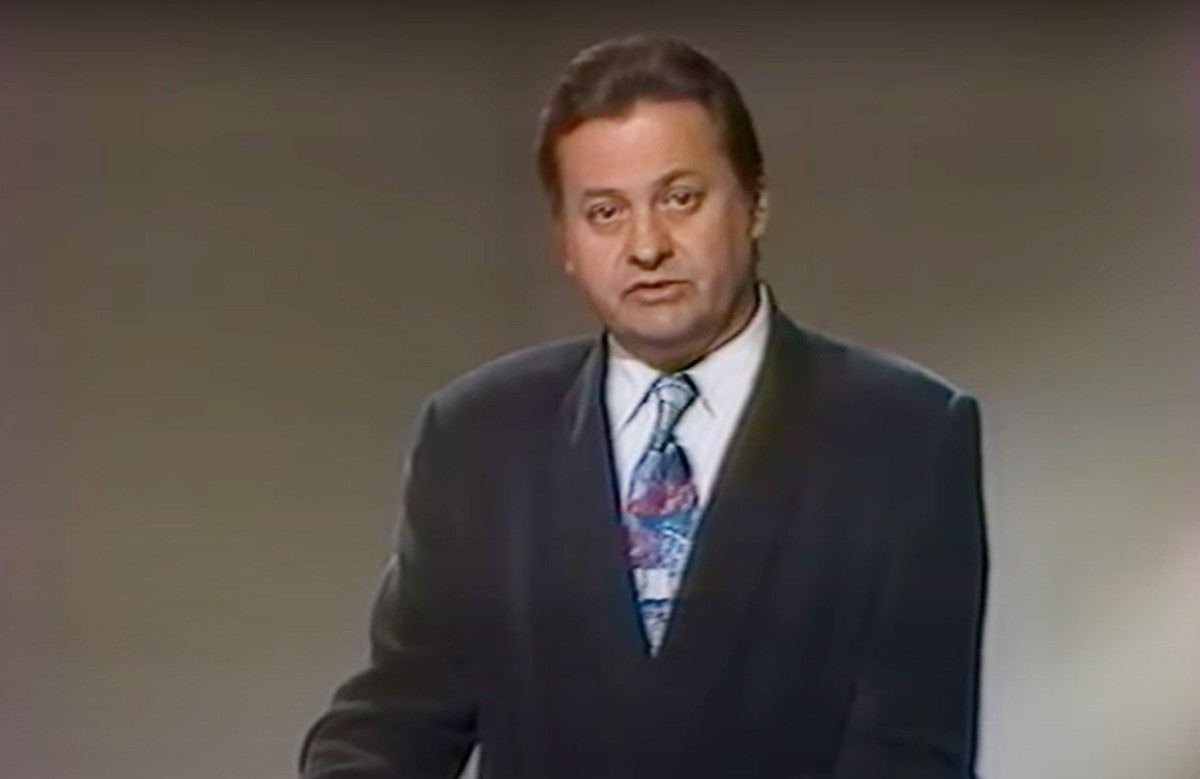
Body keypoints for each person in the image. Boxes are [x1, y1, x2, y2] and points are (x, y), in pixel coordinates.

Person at [299, 33, 987, 779]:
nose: (646, 245)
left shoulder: (905, 436)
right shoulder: (478, 437)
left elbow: (911, 752)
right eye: (605, 212)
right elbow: (396, 716)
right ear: (565, 239)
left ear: (754, 204)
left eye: (680, 199)